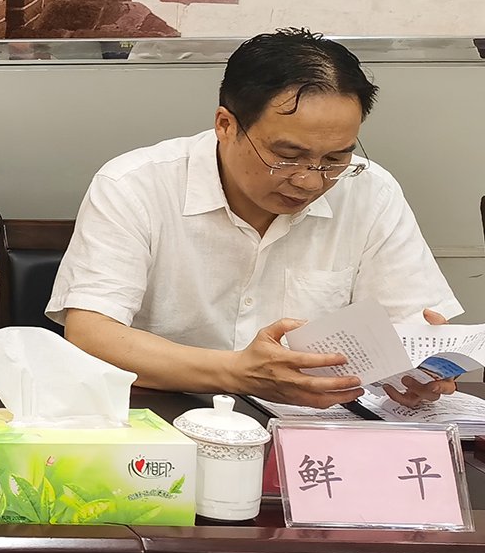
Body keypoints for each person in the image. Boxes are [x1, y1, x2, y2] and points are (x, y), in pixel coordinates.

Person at [49, 28, 459, 409]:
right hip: (162, 418)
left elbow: (409, 324)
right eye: (287, 156)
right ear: (226, 125)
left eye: (335, 159)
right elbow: (92, 333)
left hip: (314, 426)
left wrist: (423, 369)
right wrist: (239, 373)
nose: (310, 180)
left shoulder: (371, 191)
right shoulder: (135, 185)